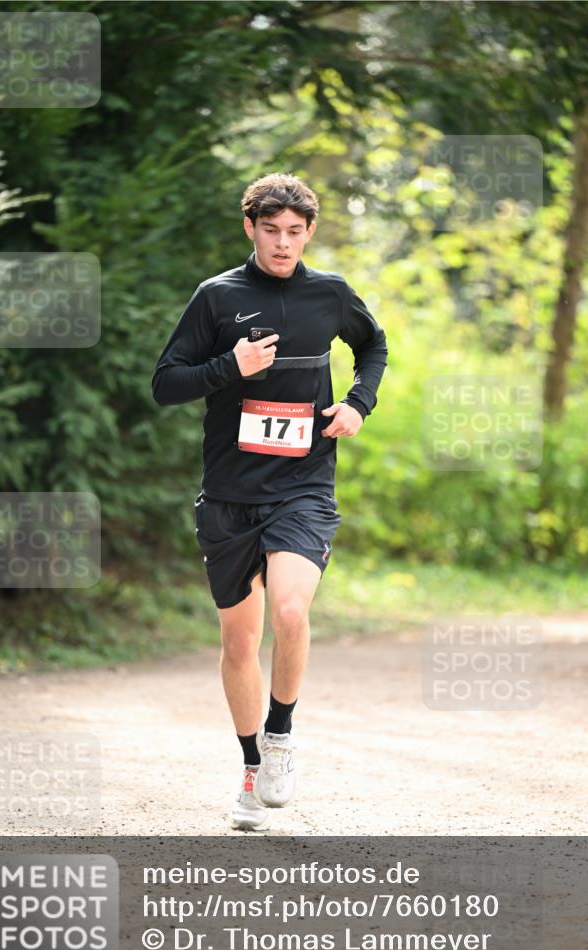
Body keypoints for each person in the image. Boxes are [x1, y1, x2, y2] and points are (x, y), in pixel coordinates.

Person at [152, 173, 387, 831]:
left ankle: (281, 733)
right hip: (228, 494)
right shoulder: (217, 297)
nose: (283, 243)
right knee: (238, 639)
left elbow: (372, 345)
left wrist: (357, 404)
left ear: (308, 232)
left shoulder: (329, 293)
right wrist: (232, 367)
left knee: (289, 606)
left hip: (303, 485)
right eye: (270, 230)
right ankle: (252, 767)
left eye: (295, 231)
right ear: (250, 228)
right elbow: (165, 383)